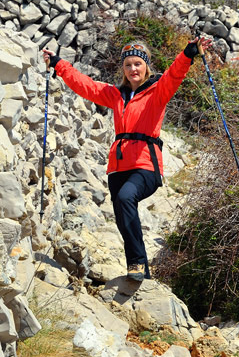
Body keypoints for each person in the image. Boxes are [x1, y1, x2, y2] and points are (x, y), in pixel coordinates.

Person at [42, 36, 212, 281]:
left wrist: (188, 53)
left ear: (146, 67)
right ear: (123, 69)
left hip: (146, 166)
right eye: (128, 65)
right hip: (118, 168)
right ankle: (144, 274)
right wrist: (59, 64)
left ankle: (136, 263)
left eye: (138, 64)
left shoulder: (158, 91)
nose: (133, 69)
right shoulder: (115, 95)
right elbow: (85, 85)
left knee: (125, 197)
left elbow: (174, 75)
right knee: (123, 215)